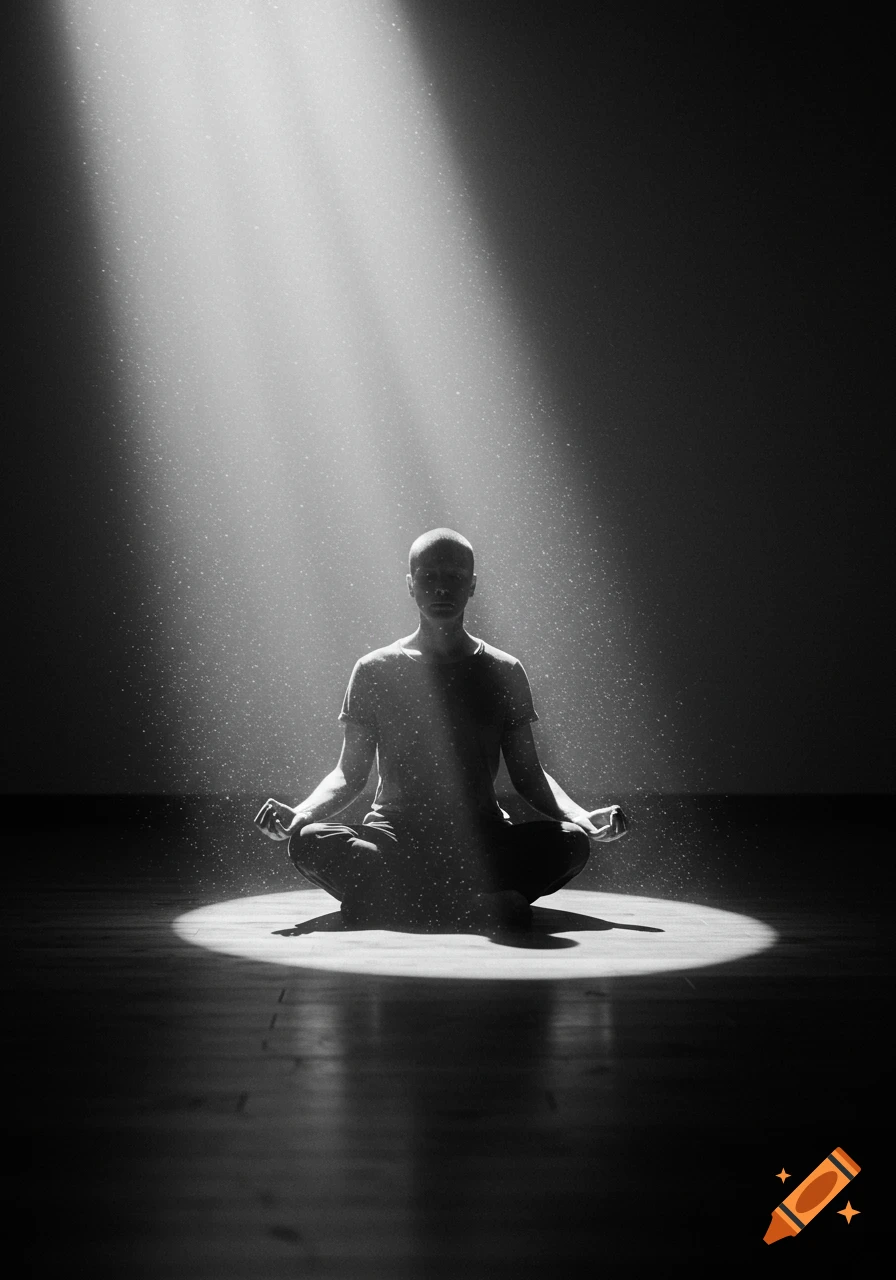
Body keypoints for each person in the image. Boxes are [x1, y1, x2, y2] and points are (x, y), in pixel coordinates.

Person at [254, 528, 627, 930]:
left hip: (481, 840)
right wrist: (300, 813)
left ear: (472, 585)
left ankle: (398, 905)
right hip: (395, 839)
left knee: (570, 842)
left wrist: (584, 817)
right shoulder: (374, 670)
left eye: (454, 577)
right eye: (429, 577)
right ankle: (470, 905)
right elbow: (349, 774)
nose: (441, 588)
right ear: (410, 585)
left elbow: (529, 775)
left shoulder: (504, 671)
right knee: (309, 841)